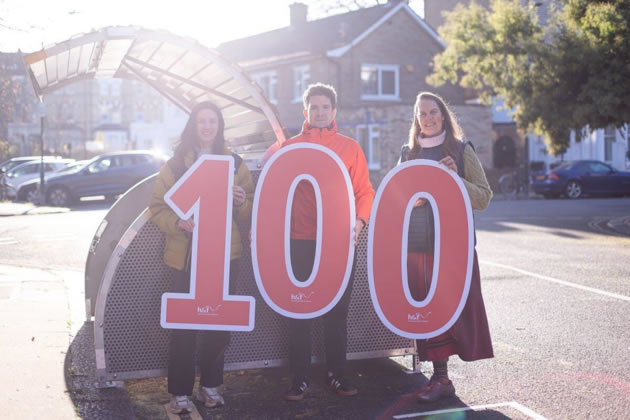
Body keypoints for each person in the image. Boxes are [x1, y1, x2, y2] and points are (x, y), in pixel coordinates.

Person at [149, 101, 254, 414]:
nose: (207, 126)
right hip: (185, 257)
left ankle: (210, 385)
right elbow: (157, 208)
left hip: (224, 256)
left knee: (218, 325)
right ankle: (179, 393)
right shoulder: (176, 165)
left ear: (219, 126)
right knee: (183, 327)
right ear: (193, 125)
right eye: (202, 121)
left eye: (213, 121)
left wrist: (241, 200)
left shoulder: (235, 164)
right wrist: (179, 222)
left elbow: (250, 209)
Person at [281, 83, 374, 401]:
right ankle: (299, 378)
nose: (319, 112)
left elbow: (365, 191)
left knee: (336, 314)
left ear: (334, 112)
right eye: (314, 107)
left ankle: (337, 375)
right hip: (299, 242)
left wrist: (360, 221)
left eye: (325, 107)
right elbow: (276, 193)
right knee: (299, 312)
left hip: (339, 244)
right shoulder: (289, 147)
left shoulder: (350, 148)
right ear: (305, 111)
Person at [399, 91, 494, 403]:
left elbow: (483, 196)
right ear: (416, 119)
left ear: (443, 115)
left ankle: (442, 380)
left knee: (452, 313)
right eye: (422, 113)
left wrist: (455, 179)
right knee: (426, 313)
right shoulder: (408, 152)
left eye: (433, 112)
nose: (428, 118)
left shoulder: (460, 148)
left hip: (453, 245)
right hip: (418, 245)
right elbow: (398, 201)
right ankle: (440, 378)